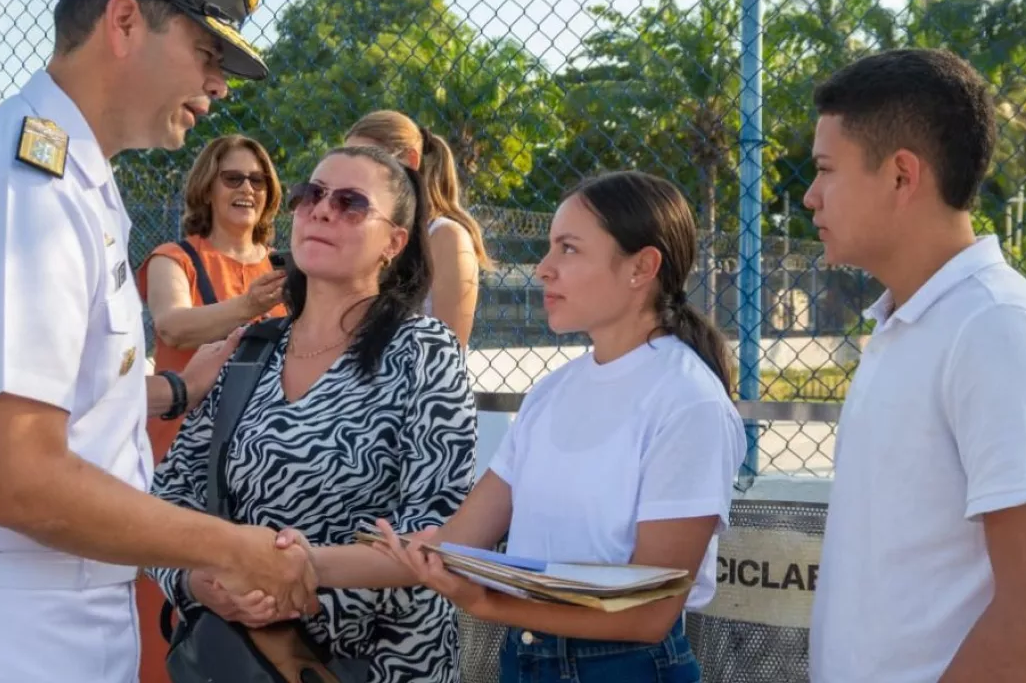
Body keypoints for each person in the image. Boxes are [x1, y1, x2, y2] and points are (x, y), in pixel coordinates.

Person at [0, 0, 318, 683]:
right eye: (207, 52)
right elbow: (20, 479)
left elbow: (72, 411)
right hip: (5, 631)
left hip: (46, 613)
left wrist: (174, 405)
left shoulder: (75, 181)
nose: (219, 86)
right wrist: (230, 547)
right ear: (125, 22)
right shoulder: (26, 190)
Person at [280, 170, 746, 682]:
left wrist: (486, 603)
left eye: (569, 249)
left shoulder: (687, 401)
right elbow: (453, 542)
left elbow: (648, 614)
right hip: (525, 659)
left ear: (642, 267)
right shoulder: (553, 392)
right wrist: (295, 562)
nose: (544, 269)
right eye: (550, 247)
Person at [802, 49, 1026, 682]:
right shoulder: (909, 322)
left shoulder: (995, 328)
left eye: (825, 170)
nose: (809, 196)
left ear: (901, 176)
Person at [148, 144, 477, 682]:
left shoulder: (423, 351)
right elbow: (170, 494)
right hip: (246, 661)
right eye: (312, 195)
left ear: (393, 243)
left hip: (382, 664)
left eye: (351, 203)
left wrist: (297, 587)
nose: (322, 210)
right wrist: (195, 582)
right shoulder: (253, 350)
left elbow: (439, 527)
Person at [134, 133, 287, 683]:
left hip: (257, 471)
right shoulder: (175, 258)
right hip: (178, 465)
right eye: (233, 178)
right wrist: (248, 306)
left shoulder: (286, 270)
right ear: (207, 187)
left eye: (258, 179)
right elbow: (173, 324)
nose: (248, 188)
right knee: (169, 622)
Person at [344, 110, 490, 347]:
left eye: (367, 160)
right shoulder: (364, 231)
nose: (350, 175)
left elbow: (449, 350)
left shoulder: (446, 236)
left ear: (410, 160)